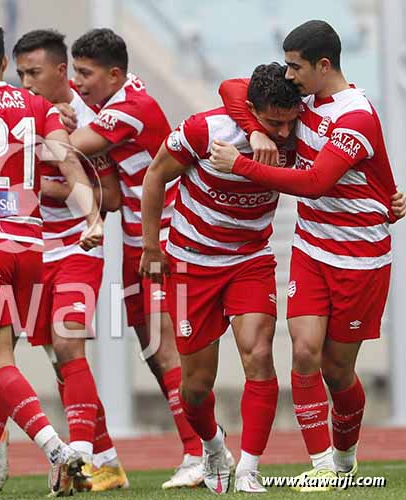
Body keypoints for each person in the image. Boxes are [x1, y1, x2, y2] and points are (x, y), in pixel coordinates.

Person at [212, 20, 404, 492]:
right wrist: (252, 129)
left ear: (322, 65)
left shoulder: (355, 116)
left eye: (296, 66)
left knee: (338, 371)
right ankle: (321, 468)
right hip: (312, 248)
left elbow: (317, 182)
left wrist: (243, 166)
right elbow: (232, 86)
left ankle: (345, 459)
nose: (289, 75)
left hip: (360, 259)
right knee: (302, 351)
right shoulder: (304, 98)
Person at [0, 19, 103, 498]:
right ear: (6, 63)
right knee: (1, 364)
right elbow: (66, 156)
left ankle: (56, 448)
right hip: (31, 245)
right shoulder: (35, 105)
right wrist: (91, 215)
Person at [141, 62, 305, 494]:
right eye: (273, 122)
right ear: (251, 111)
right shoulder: (205, 130)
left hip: (249, 260)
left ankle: (249, 468)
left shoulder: (299, 131)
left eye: (290, 123)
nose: (284, 133)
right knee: (195, 388)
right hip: (191, 264)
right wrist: (151, 247)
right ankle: (214, 447)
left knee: (259, 354)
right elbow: (155, 175)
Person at [62, 28, 206, 489]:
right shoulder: (102, 105)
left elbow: (65, 148)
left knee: (165, 347)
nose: (78, 82)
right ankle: (199, 448)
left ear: (115, 74)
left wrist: (39, 126)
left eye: (85, 74)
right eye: (73, 72)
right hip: (131, 240)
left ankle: (201, 451)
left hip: (162, 239)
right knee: (152, 350)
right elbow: (111, 196)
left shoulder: (131, 108)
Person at [12, 28, 129, 492]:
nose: (26, 83)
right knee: (61, 362)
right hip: (33, 252)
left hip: (79, 246)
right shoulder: (19, 114)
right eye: (19, 73)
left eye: (34, 73)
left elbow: (113, 195)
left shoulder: (89, 120)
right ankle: (108, 462)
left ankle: (78, 456)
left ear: (61, 71)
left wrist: (47, 179)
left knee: (67, 347)